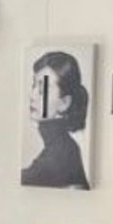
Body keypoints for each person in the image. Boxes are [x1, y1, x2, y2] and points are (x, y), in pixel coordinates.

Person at [21, 50, 90, 189]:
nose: (32, 95)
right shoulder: (64, 147)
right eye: (34, 85)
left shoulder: (61, 154)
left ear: (64, 103)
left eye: (43, 90)